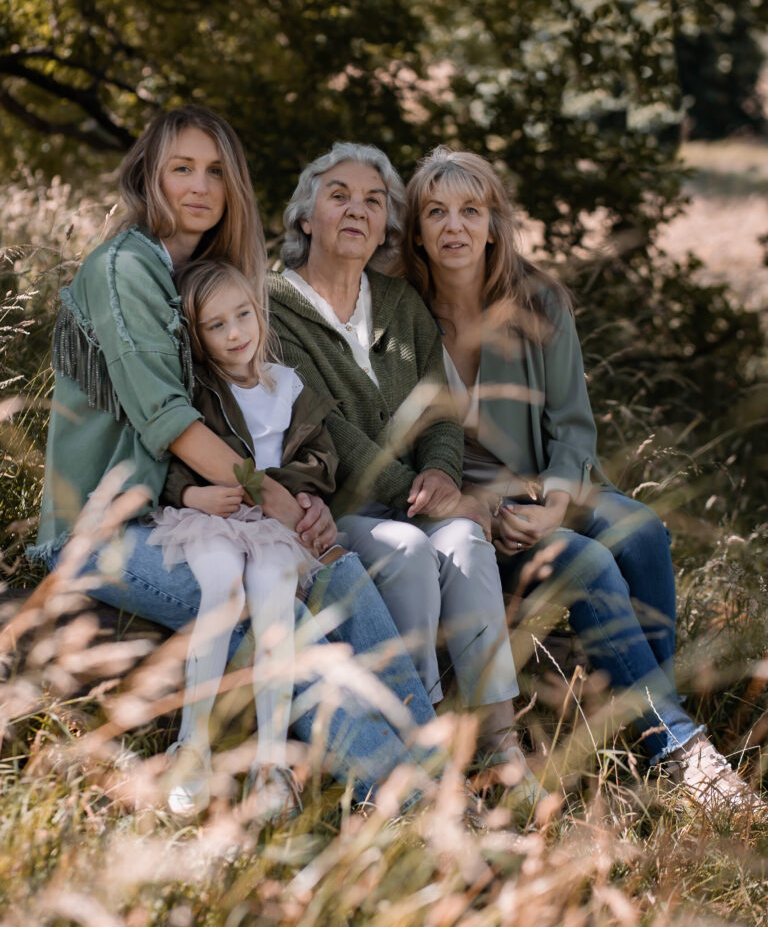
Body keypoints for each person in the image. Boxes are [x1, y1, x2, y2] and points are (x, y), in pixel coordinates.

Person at [28, 105, 443, 811]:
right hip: (105, 530)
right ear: (147, 176)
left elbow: (257, 422)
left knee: (340, 574)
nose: (199, 185)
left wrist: (299, 499)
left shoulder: (205, 278)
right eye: (180, 168)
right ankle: (407, 801)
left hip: (205, 516)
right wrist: (276, 504)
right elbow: (171, 423)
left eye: (215, 171)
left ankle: (439, 768)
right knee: (278, 618)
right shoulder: (126, 265)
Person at [398, 144, 763, 810]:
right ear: (416, 228)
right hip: (462, 509)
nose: (454, 226)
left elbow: (573, 428)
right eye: (436, 211)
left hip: (540, 488)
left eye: (470, 210)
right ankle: (681, 750)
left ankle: (653, 731)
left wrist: (554, 503)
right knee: (590, 561)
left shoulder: (540, 304)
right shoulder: (400, 314)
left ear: (494, 222)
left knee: (643, 528)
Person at [268, 142, 541, 800]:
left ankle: (502, 747)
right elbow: (323, 424)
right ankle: (422, 744)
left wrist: (445, 477)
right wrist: (418, 493)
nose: (357, 210)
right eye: (339, 195)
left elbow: (440, 412)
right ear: (307, 216)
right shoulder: (275, 306)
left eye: (373, 200)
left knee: (466, 542)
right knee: (410, 550)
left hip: (423, 499)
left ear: (387, 225)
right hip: (338, 507)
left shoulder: (397, 303)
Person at [147, 258, 338, 818]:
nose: (235, 335)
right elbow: (169, 455)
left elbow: (322, 459)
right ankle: (193, 746)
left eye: (243, 316)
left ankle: (272, 764)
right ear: (196, 337)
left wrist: (291, 493)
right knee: (223, 593)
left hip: (273, 527)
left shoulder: (288, 385)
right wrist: (188, 496)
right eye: (216, 326)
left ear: (260, 313)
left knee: (274, 604)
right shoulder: (198, 390)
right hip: (212, 517)